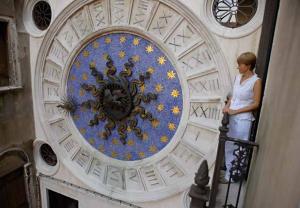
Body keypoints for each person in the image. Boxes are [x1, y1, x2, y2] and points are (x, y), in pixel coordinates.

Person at [222, 52, 262, 182]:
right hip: (232, 116)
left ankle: (234, 177)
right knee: (228, 145)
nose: (238, 67)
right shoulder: (237, 77)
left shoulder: (256, 82)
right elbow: (233, 96)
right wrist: (227, 107)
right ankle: (228, 174)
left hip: (243, 119)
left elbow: (256, 103)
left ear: (249, 66)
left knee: (240, 148)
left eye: (240, 65)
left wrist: (236, 111)